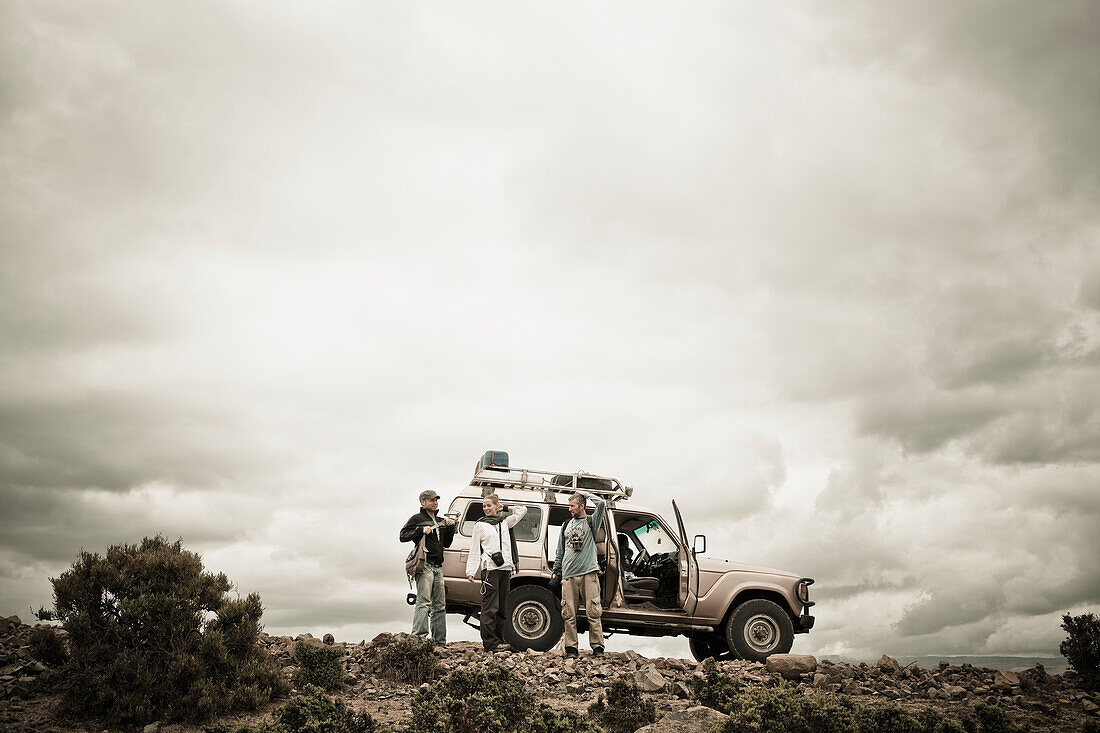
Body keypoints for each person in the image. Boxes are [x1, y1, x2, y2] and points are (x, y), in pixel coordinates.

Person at [466, 494, 528, 652]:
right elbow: (474, 549)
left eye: (489, 505)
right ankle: (490, 643)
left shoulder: (505, 522)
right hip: (490, 569)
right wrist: (471, 570)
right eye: (484, 506)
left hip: (505, 568)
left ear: (496, 506)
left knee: (502, 607)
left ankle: (499, 640)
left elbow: (523, 510)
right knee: (490, 606)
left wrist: (506, 508)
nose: (486, 508)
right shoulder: (480, 525)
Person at [553, 491, 607, 657]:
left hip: (588, 573)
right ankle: (571, 648)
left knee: (593, 611)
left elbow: (602, 504)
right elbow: (560, 549)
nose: (570, 509)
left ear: (582, 506)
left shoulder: (591, 521)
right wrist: (557, 570)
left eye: (572, 506)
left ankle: (597, 647)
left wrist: (585, 493)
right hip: (568, 575)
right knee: (568, 613)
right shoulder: (566, 524)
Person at [400, 489, 456, 644]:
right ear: (423, 502)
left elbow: (446, 544)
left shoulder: (440, 520)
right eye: (431, 500)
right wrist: (420, 530)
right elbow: (402, 535)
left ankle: (440, 642)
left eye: (436, 500)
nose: (435, 502)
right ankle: (419, 638)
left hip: (438, 566)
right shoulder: (417, 518)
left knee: (440, 606)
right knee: (424, 602)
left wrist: (450, 528)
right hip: (424, 565)